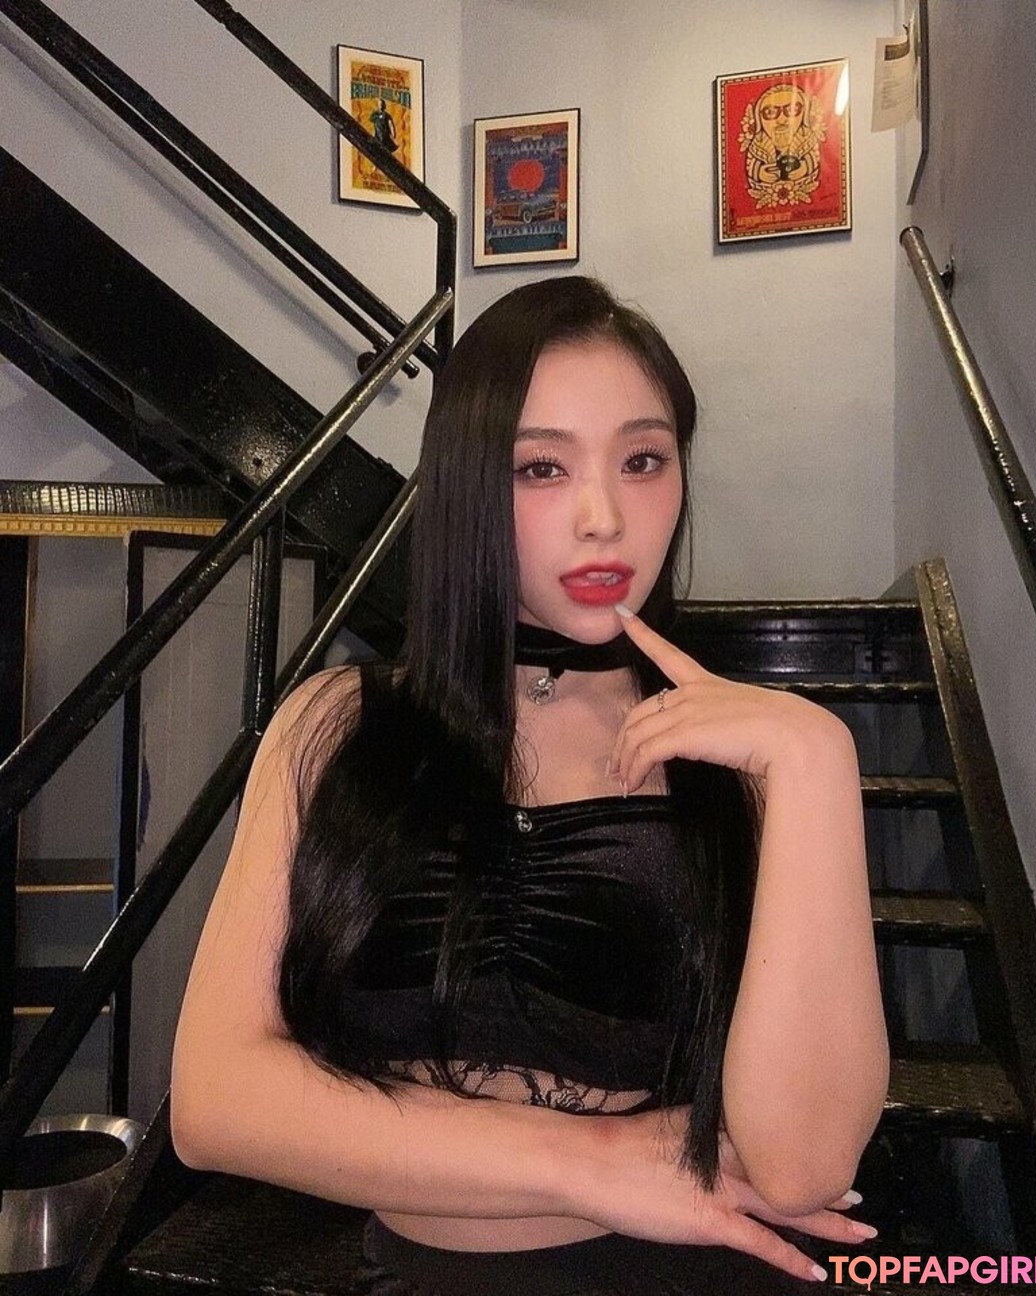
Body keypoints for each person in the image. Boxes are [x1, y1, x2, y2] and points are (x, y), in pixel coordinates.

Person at [171, 277, 890, 1295]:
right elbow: (214, 1102)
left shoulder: (747, 760)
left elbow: (806, 1165)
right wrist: (588, 1160)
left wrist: (817, 762)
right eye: (542, 467)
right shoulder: (334, 728)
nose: (605, 518)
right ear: (468, 484)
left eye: (643, 460)